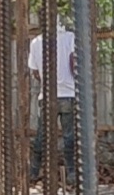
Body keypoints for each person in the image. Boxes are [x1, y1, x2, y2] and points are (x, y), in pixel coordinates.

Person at [28, 23, 78, 181]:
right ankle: (71, 173)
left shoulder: (36, 42)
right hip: (68, 94)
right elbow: (75, 63)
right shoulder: (70, 38)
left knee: (42, 135)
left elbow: (34, 71)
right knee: (69, 135)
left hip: (47, 96)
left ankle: (34, 172)